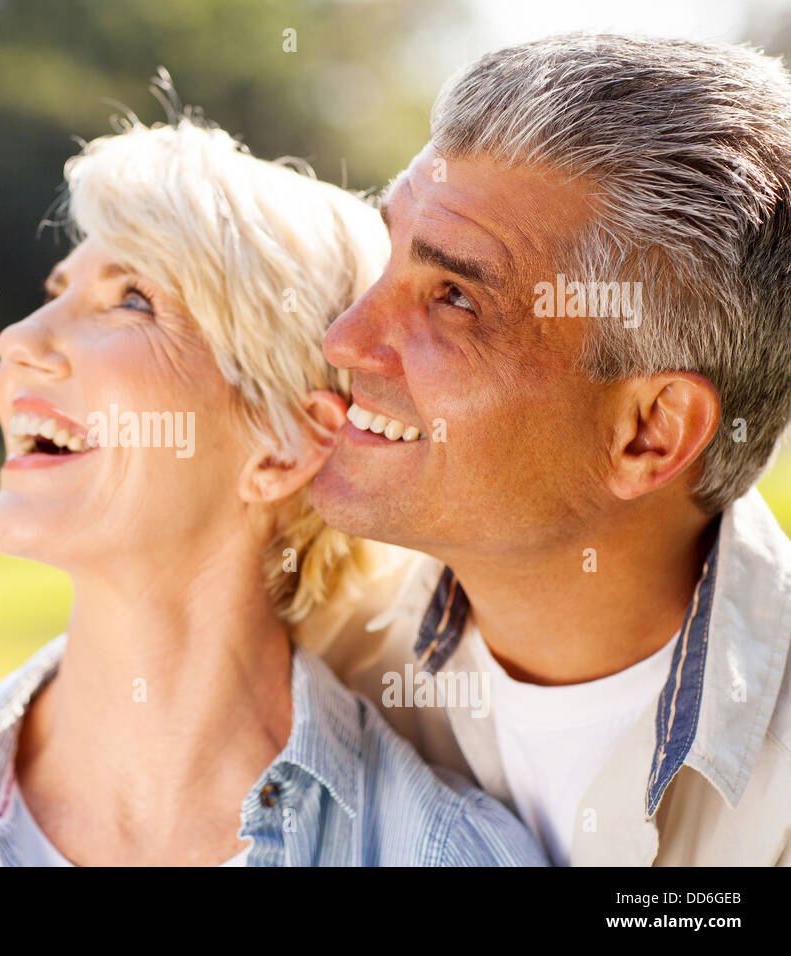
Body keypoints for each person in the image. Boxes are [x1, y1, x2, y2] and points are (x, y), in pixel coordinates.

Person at [0, 87, 545, 866]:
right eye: (55, 293)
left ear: (281, 448)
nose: (19, 340)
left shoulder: (452, 855)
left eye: (133, 300)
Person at [314, 34, 791, 866]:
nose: (345, 337)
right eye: (388, 255)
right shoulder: (318, 670)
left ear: (650, 432)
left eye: (453, 298)